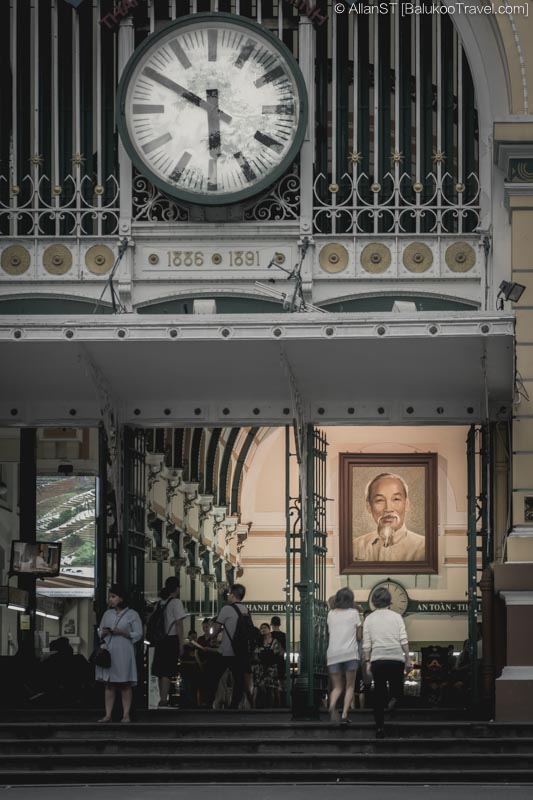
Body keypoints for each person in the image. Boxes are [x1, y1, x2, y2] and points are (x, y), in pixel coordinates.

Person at [363, 586, 412, 738]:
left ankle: (379, 728)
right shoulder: (397, 617)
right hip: (396, 658)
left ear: (374, 601)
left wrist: (367, 661)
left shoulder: (369, 619)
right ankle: (394, 698)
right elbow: (403, 639)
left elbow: (367, 644)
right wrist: (408, 658)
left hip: (378, 659)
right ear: (389, 601)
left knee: (378, 692)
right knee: (397, 686)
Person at [95, 583, 143, 723]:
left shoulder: (132, 615)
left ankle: (126, 714)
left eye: (113, 597)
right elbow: (100, 630)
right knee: (109, 684)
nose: (110, 599)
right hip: (109, 650)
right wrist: (102, 633)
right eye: (110, 597)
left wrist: (122, 632)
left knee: (125, 683)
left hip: (124, 651)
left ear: (121, 598)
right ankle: (108, 714)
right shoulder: (107, 614)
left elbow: (138, 634)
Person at [353, 473, 425, 561]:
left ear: (406, 504)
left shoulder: (423, 547)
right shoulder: (356, 547)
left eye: (396, 499)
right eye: (379, 500)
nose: (388, 508)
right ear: (369, 506)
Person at [213, 583, 254, 710]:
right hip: (240, 650)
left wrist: (212, 637)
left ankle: (208, 700)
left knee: (214, 675)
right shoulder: (246, 610)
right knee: (238, 678)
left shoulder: (226, 609)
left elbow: (216, 629)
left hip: (227, 650)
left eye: (229, 593)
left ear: (232, 594)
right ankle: (234, 705)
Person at [326, 587, 362, 724]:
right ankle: (344, 715)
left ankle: (332, 705)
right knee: (350, 686)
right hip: (350, 654)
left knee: (337, 687)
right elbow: (359, 637)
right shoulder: (354, 613)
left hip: (333, 654)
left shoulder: (331, 614)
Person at [151, 575, 188, 708]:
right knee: (167, 671)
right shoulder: (176, 603)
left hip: (160, 640)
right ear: (177, 588)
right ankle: (163, 700)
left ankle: (162, 697)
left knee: (160, 671)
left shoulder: (160, 603)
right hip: (171, 639)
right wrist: (181, 643)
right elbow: (179, 624)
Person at [252, 623, 283, 708]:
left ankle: (276, 706)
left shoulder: (275, 641)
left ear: (269, 629)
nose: (263, 629)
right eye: (261, 628)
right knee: (258, 687)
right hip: (261, 667)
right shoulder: (258, 642)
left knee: (273, 688)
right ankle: (257, 706)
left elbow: (279, 654)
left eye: (265, 628)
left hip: (271, 667)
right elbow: (255, 654)